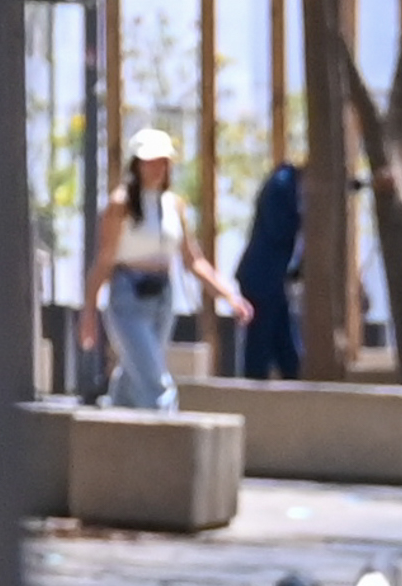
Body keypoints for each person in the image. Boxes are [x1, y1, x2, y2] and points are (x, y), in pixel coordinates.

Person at [87, 129, 242, 413]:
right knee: (156, 384)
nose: (157, 168)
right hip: (128, 297)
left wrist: (228, 295)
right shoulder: (120, 205)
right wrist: (88, 312)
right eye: (150, 161)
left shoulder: (174, 205)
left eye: (162, 161)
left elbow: (192, 260)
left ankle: (112, 435)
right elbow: (104, 260)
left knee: (134, 377)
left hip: (162, 297)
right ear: (136, 164)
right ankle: (169, 444)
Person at [228, 158, 305, 383]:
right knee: (259, 348)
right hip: (261, 279)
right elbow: (278, 228)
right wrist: (306, 219)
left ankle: (293, 397)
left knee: (288, 352)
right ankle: (252, 400)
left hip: (276, 281)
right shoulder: (281, 184)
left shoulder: (290, 184)